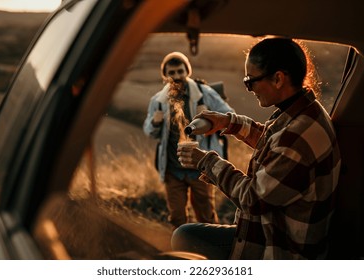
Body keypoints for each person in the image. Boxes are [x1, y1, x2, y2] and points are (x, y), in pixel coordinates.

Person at [173, 37, 341, 259]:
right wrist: (228, 122)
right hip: (273, 231)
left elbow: (253, 200)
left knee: (184, 237)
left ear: (278, 79)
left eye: (250, 80)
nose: (249, 88)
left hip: (280, 247)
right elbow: (274, 144)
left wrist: (206, 162)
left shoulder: (298, 137)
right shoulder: (307, 112)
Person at [143, 51, 234, 229]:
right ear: (165, 76)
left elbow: (230, 117)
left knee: (206, 218)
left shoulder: (204, 93)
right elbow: (149, 131)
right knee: (176, 218)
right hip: (172, 169)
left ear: (187, 71)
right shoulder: (158, 101)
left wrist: (209, 117)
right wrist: (155, 122)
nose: (176, 76)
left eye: (180, 71)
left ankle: (209, 253)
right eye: (171, 73)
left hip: (200, 168)